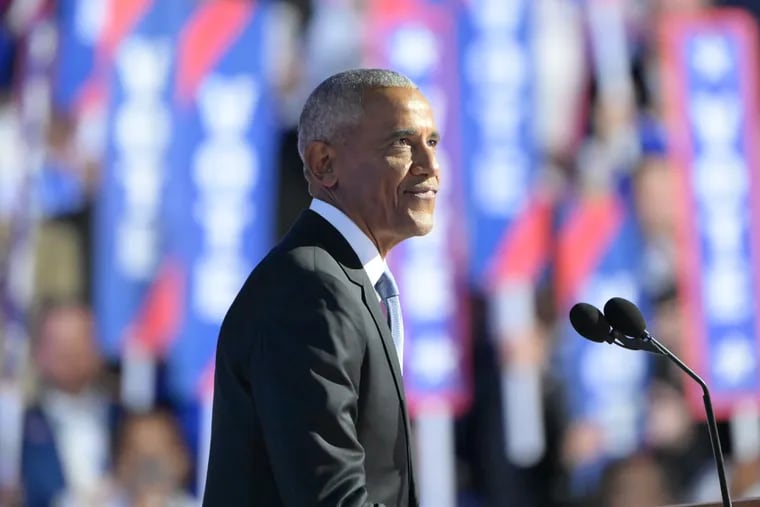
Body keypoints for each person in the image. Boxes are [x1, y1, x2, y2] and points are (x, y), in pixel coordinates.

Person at [202, 68, 441, 506]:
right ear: (324, 164)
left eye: (432, 143)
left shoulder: (341, 282)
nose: (430, 167)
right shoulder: (312, 291)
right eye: (402, 143)